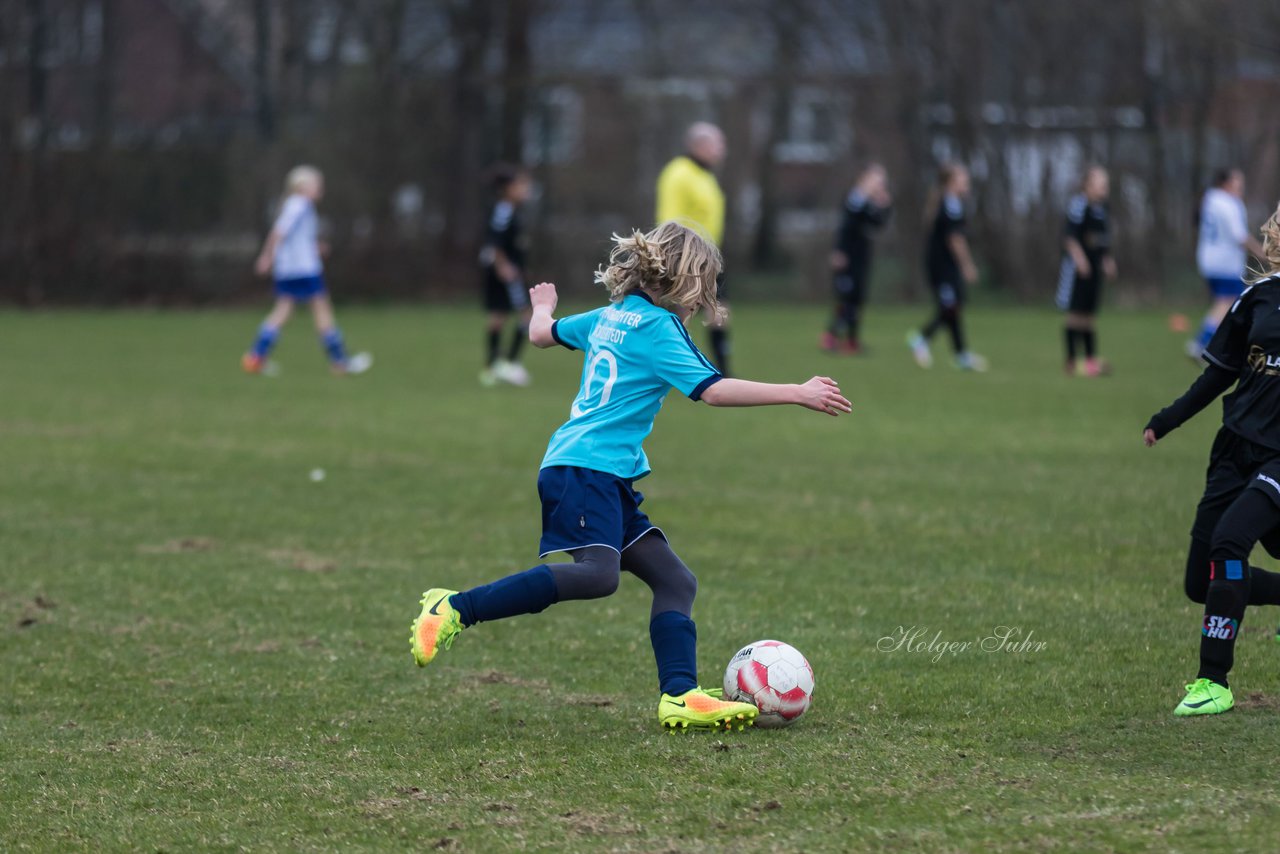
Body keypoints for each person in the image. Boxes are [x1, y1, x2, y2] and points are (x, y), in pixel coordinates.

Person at [408, 221, 852, 731]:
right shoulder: (660, 330)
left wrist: (543, 307)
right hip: (585, 469)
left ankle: (680, 695)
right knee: (599, 575)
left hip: (596, 471)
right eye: (703, 285)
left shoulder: (611, 315)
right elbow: (712, 390)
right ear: (685, 281)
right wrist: (797, 391)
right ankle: (455, 607)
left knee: (674, 580)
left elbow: (539, 335)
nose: (703, 298)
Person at [1144, 202, 1280, 716]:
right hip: (1234, 447)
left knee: (1230, 542)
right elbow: (1219, 374)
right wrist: (1168, 418)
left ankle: (1213, 681)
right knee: (1202, 583)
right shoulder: (1256, 298)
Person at [242, 166, 371, 376]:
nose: (321, 188)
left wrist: (313, 247)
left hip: (289, 268)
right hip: (303, 269)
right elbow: (279, 233)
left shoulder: (297, 205)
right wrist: (267, 256)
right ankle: (339, 361)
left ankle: (256, 358)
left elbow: (293, 237)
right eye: (316, 184)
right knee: (322, 310)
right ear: (302, 186)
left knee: (284, 311)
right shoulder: (299, 205)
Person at [656, 122, 732, 375]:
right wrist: (677, 259)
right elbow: (670, 219)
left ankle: (722, 369)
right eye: (716, 144)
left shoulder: (706, 175)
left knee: (719, 310)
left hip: (711, 257)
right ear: (698, 145)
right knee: (680, 314)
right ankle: (668, 365)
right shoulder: (678, 173)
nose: (721, 150)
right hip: (688, 257)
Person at [906, 163, 986, 371]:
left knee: (953, 308)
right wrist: (967, 265)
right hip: (942, 267)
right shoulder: (950, 205)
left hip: (944, 266)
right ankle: (921, 338)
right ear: (951, 182)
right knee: (949, 307)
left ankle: (961, 355)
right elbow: (955, 240)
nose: (967, 182)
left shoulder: (952, 202)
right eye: (963, 179)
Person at [1188, 168, 1265, 361]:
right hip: (1225, 262)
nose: (1241, 186)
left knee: (1226, 302)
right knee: (1230, 302)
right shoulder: (1229, 203)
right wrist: (1262, 253)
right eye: (1238, 181)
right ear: (1226, 183)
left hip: (1208, 259)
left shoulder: (1210, 199)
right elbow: (1239, 235)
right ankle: (1203, 343)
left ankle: (1215, 344)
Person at [821, 163, 892, 355]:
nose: (879, 185)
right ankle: (830, 336)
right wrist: (838, 251)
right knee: (847, 299)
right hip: (847, 258)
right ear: (864, 179)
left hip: (861, 258)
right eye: (876, 180)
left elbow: (877, 224)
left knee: (858, 300)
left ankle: (852, 341)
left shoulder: (869, 203)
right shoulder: (855, 199)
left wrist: (884, 206)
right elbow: (844, 227)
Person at [1056, 166, 1116, 376]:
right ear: (1087, 185)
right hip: (1077, 269)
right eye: (1100, 184)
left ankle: (1090, 361)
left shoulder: (1101, 209)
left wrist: (1106, 260)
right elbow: (1070, 237)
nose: (1104, 188)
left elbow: (1101, 241)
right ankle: (1071, 361)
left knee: (1089, 316)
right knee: (1075, 313)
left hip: (1094, 269)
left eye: (1105, 185)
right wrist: (1080, 260)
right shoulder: (1078, 205)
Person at [480, 164, 534, 387]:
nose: (525, 189)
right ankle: (509, 364)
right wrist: (504, 266)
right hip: (505, 273)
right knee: (526, 315)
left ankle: (493, 367)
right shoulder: (504, 211)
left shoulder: (509, 210)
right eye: (521, 185)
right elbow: (495, 242)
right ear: (508, 188)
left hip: (506, 271)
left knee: (498, 316)